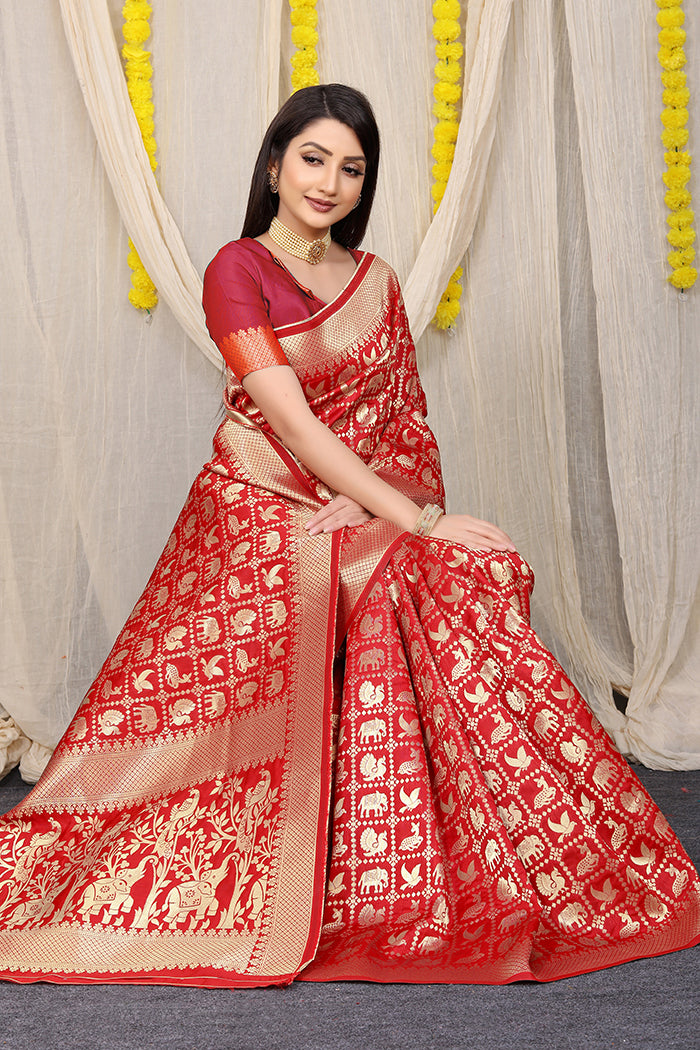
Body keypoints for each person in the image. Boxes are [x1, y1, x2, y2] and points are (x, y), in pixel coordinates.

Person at [0, 84, 698, 987]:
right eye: (314, 158)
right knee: (419, 557)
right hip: (257, 505)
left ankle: (503, 853)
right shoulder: (235, 270)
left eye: (352, 168)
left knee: (455, 573)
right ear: (274, 164)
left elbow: (403, 425)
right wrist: (420, 517)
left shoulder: (377, 284)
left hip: (359, 504)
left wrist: (386, 511)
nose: (330, 182)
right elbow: (289, 425)